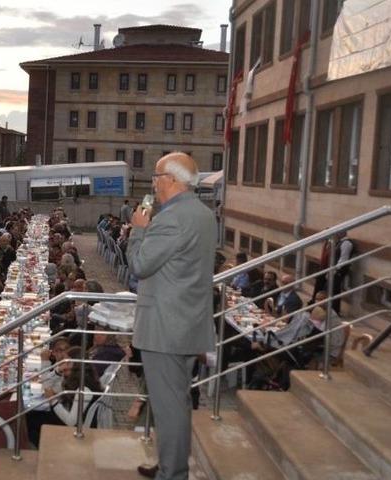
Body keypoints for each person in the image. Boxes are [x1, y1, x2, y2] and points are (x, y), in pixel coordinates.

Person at [126, 152, 216, 480]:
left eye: (157, 176)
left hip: (166, 329)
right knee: (175, 402)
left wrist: (138, 230)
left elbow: (139, 265)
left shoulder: (171, 219)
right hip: (186, 324)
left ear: (173, 180)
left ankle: (173, 473)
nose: (153, 183)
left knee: (170, 406)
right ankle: (170, 464)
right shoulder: (204, 215)